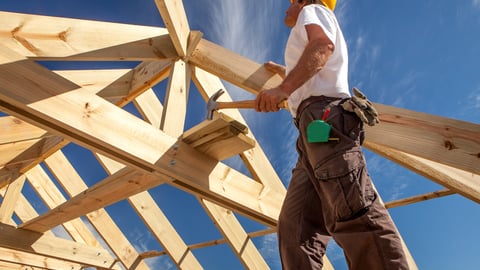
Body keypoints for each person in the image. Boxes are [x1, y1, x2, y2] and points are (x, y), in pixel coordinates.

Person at [254, 0, 410, 269]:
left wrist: (283, 88)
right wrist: (286, 74)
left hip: (324, 120)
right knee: (295, 230)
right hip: (310, 134)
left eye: (292, 1)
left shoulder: (312, 11)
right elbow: (316, 63)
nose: (288, 6)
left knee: (354, 213)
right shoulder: (309, 20)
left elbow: (322, 47)